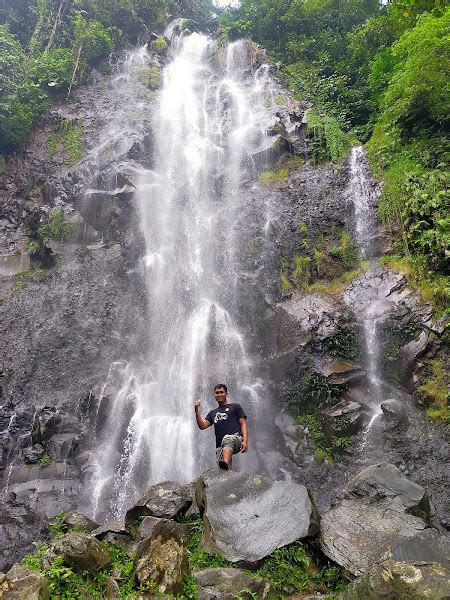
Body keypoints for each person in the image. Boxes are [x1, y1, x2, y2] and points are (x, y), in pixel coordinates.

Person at [194, 384, 248, 470]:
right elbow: (202, 426)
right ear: (214, 395)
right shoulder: (212, 413)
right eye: (217, 393)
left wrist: (245, 441)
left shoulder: (235, 407)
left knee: (227, 439)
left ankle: (225, 463)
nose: (219, 394)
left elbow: (243, 423)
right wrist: (196, 411)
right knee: (221, 471)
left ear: (226, 393)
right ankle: (225, 468)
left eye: (221, 392)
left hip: (236, 439)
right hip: (220, 446)